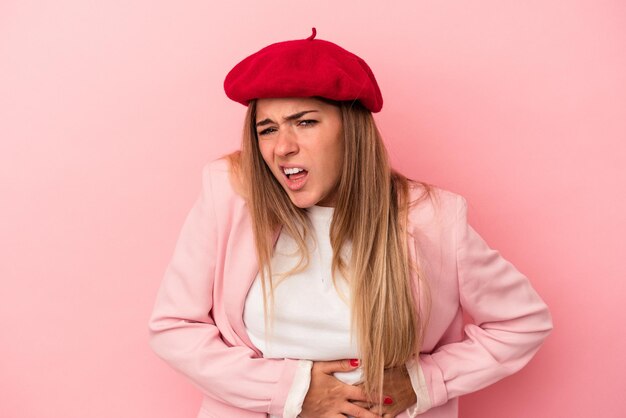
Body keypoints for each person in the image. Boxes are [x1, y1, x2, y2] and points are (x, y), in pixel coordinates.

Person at [148, 28, 553, 418]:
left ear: (352, 131)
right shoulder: (231, 195)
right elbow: (174, 326)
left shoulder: (433, 218)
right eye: (266, 129)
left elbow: (522, 322)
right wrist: (292, 391)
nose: (283, 147)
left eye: (305, 122)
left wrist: (425, 381)